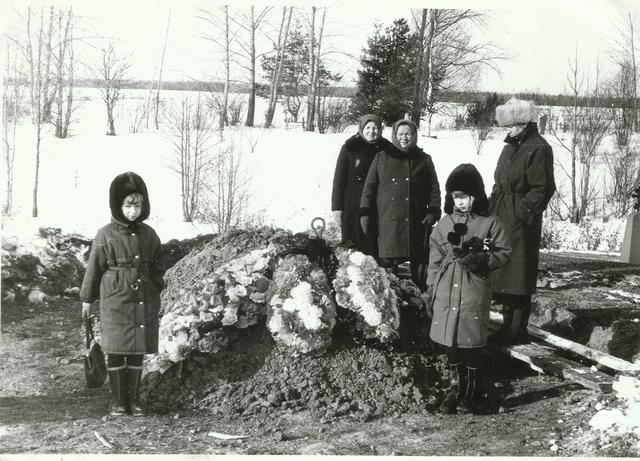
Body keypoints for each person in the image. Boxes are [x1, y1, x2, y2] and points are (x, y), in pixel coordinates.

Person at [427, 163, 511, 414]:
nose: (461, 202)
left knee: (471, 341)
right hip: (446, 288)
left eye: (466, 196)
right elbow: (434, 258)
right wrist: (432, 287)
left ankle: (472, 394)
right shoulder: (444, 224)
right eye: (456, 197)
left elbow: (504, 252)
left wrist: (482, 260)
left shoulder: (490, 223)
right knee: (451, 342)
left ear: (477, 196)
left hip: (474, 288)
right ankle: (456, 390)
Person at [80, 172, 166, 416]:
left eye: (137, 205)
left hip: (142, 299)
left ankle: (134, 400)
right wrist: (87, 300)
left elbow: (160, 264)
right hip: (114, 300)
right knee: (117, 351)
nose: (133, 211)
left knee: (137, 351)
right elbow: (94, 268)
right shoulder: (104, 235)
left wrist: (154, 286)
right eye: (128, 206)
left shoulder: (149, 234)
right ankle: (118, 401)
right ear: (118, 206)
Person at [488, 98, 556, 344]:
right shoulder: (510, 147)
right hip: (501, 216)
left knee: (519, 273)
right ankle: (507, 325)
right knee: (503, 271)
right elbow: (499, 183)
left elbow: (543, 188)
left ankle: (517, 329)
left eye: (512, 125)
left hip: (520, 221)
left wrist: (522, 213)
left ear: (524, 123)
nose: (508, 130)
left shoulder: (538, 147)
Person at [359, 119, 441, 287]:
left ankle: (420, 299)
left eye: (408, 134)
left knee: (419, 264)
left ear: (414, 136)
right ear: (395, 136)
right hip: (388, 221)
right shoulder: (382, 157)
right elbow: (369, 187)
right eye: (400, 134)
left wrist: (433, 211)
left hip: (416, 221)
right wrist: (365, 211)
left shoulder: (424, 159)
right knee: (389, 268)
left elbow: (434, 188)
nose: (404, 138)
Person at [331, 114, 390, 257]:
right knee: (353, 245)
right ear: (361, 128)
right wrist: (337, 208)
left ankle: (375, 274)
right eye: (367, 127)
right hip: (352, 204)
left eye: (375, 127)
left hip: (377, 204)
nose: (371, 131)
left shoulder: (387, 148)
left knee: (373, 243)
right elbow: (339, 179)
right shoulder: (350, 147)